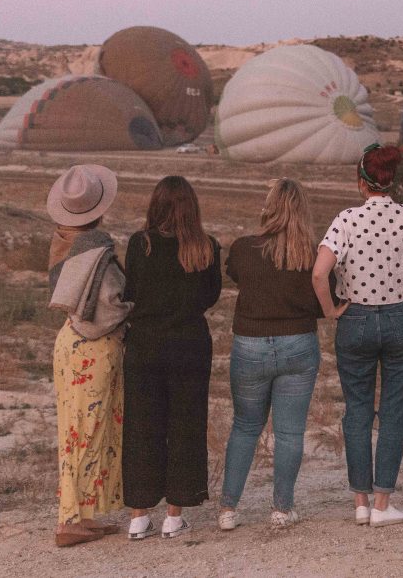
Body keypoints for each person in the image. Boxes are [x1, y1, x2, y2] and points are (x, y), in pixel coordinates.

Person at [312, 144, 403, 528]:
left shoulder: (345, 220)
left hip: (355, 318)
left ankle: (359, 501)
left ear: (362, 182)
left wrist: (330, 310)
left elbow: (317, 273)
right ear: (391, 180)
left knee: (357, 411)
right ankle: (382, 504)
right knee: (393, 412)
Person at [218, 179, 324, 531]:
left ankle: (228, 509)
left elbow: (233, 274)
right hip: (299, 344)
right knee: (290, 433)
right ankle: (282, 507)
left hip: (250, 344)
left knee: (245, 427)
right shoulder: (311, 253)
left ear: (269, 207)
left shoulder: (245, 248)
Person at [122, 176, 222, 540]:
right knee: (186, 426)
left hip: (145, 346)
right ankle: (174, 515)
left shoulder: (140, 244)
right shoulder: (207, 247)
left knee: (141, 426)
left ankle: (138, 515)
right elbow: (210, 296)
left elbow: (130, 290)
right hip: (190, 345)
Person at [47, 164, 131, 547]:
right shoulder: (98, 248)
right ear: (98, 207)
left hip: (68, 342)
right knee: (90, 432)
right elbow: (109, 303)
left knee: (75, 430)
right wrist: (133, 309)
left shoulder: (61, 242)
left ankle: (82, 514)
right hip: (94, 348)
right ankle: (69, 522)